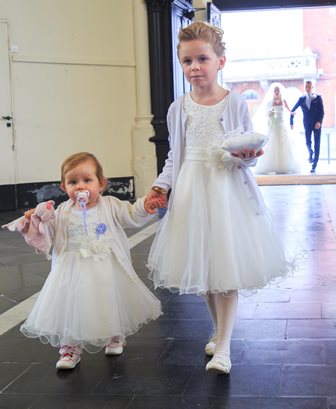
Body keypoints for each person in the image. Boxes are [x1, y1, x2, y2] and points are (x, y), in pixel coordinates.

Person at [145, 22, 291, 375]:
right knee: (206, 272)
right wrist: (162, 186)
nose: (194, 67)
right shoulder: (178, 108)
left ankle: (223, 346)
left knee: (226, 268)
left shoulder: (235, 101)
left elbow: (247, 150)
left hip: (226, 191)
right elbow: (173, 157)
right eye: (187, 61)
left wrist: (244, 156)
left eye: (202, 59)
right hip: (192, 191)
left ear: (220, 62)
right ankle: (217, 329)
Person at [2, 152, 162, 370]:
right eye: (73, 182)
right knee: (72, 305)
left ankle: (115, 334)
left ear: (101, 183)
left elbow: (132, 213)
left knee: (108, 299)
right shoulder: (62, 211)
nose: (80, 186)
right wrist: (37, 219)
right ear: (63, 186)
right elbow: (48, 231)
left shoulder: (111, 205)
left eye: (87, 180)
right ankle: (70, 347)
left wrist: (146, 205)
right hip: (71, 268)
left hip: (106, 264)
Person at [253, 82, 302, 174]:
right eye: (275, 90)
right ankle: (271, 165)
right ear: (273, 92)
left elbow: (289, 110)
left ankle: (284, 166)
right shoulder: (270, 102)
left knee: (285, 144)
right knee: (272, 143)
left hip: (282, 124)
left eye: (278, 90)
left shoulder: (283, 101)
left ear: (280, 91)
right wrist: (271, 116)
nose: (276, 92)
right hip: (273, 125)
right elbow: (267, 113)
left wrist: (292, 113)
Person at [290, 81, 324, 173]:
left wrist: (319, 122)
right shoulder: (301, 99)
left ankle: (314, 165)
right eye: (306, 87)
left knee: (317, 144)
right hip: (307, 124)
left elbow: (321, 112)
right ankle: (310, 153)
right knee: (308, 142)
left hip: (317, 125)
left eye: (309, 87)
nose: (308, 89)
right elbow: (292, 110)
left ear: (312, 88)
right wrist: (291, 121)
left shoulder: (318, 98)